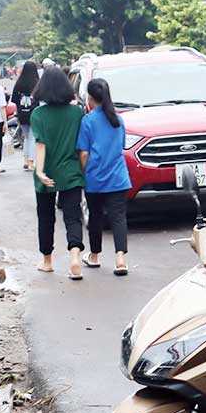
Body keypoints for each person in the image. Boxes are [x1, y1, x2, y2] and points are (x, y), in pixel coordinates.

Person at [30, 67, 86, 279]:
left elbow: (41, 145)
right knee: (73, 217)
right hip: (71, 171)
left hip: (47, 174)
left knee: (46, 217)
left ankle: (47, 261)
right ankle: (74, 257)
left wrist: (40, 171)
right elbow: (82, 147)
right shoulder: (77, 113)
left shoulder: (38, 115)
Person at [77, 78, 131, 276]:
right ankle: (120, 259)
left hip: (95, 178)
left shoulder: (88, 121)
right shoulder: (119, 120)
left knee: (96, 217)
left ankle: (95, 255)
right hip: (118, 177)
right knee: (118, 218)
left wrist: (84, 172)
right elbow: (122, 146)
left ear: (90, 98)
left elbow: (83, 153)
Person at [11, 60, 40, 171]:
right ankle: (31, 162)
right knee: (32, 138)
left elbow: (14, 100)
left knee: (27, 138)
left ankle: (26, 161)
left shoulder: (19, 83)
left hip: (22, 114)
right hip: (35, 114)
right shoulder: (37, 83)